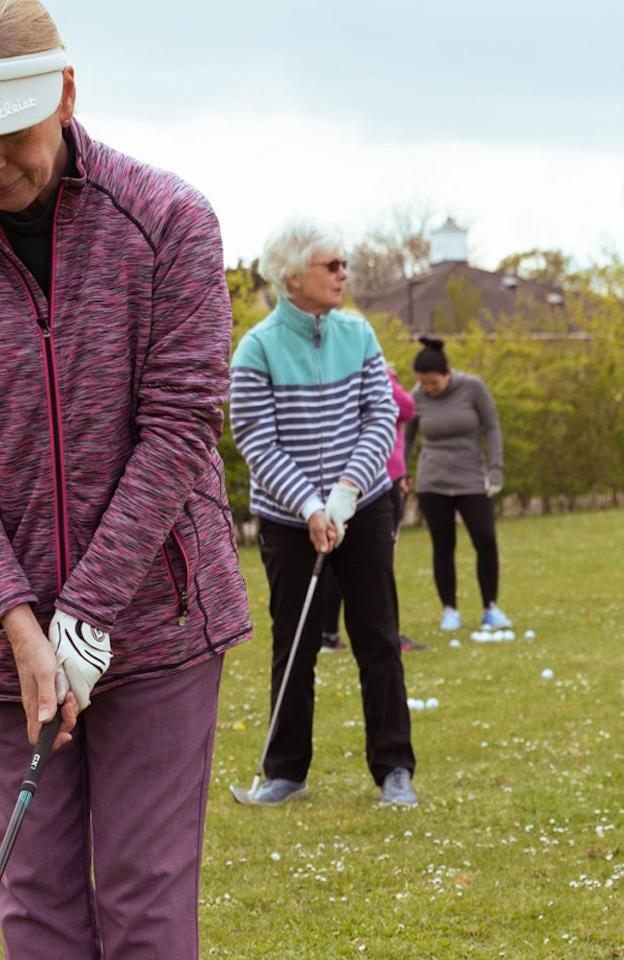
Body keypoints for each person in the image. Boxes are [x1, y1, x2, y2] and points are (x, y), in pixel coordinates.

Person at [0, 2, 252, 956]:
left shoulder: (169, 222)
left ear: (66, 95)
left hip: (159, 620)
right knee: (35, 903)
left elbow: (179, 426)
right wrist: (20, 621)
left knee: (145, 903)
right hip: (1, 633)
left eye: (11, 139)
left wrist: (86, 613)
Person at [229, 221, 418, 809]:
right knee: (296, 642)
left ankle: (394, 769)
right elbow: (255, 439)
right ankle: (286, 772)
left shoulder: (359, 334)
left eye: (343, 264)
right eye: (330, 265)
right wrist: (310, 506)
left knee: (378, 636)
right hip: (288, 520)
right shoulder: (257, 348)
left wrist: (343, 493)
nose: (343, 273)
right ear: (292, 277)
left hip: (360, 506)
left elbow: (380, 417)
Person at [404, 336, 513, 632]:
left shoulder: (473, 388)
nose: (428, 389)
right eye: (423, 384)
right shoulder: (418, 396)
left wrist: (495, 470)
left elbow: (492, 427)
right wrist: (401, 472)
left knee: (485, 539)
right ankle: (449, 609)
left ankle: (490, 608)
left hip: (472, 479)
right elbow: (408, 435)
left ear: (447, 373)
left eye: (433, 384)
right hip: (432, 481)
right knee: (443, 545)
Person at [318, 362, 424, 653]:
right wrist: (387, 373)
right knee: (376, 564)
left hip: (370, 479)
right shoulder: (376, 376)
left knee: (340, 557)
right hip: (377, 481)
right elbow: (407, 408)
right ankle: (383, 633)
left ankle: (328, 634)